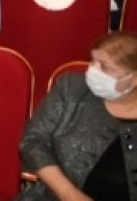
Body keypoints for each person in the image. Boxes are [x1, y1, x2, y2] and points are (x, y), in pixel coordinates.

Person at [19, 31, 137, 201]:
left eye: (104, 67)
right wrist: (69, 194)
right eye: (92, 60)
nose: (92, 70)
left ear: (134, 79)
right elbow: (32, 141)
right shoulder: (72, 87)